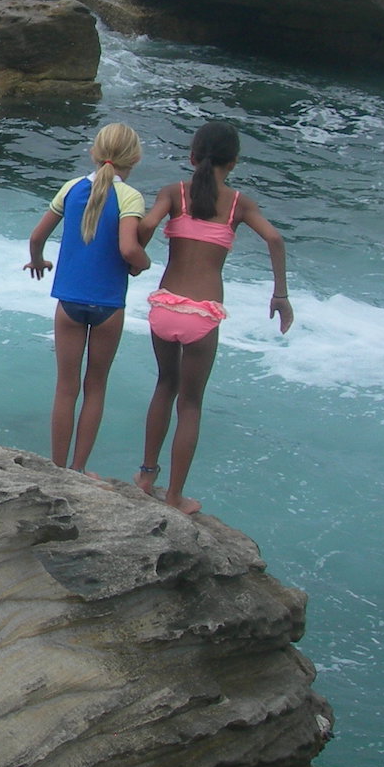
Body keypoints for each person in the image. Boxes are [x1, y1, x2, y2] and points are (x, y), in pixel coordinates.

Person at [134, 121, 293, 514]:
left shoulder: (174, 193)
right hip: (202, 316)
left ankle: (145, 478)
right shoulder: (239, 203)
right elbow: (274, 238)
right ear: (234, 163)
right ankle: (174, 496)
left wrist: (129, 251)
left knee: (164, 386)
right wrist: (280, 295)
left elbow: (149, 225)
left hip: (165, 306)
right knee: (190, 403)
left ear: (192, 157)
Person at [25, 123, 152, 473]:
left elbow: (37, 237)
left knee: (66, 387)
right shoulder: (130, 197)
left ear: (93, 153)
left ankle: (57, 466)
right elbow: (129, 248)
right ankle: (78, 470)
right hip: (109, 305)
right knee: (95, 387)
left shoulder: (71, 189)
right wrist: (144, 263)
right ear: (136, 158)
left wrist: (38, 261)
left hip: (69, 301)